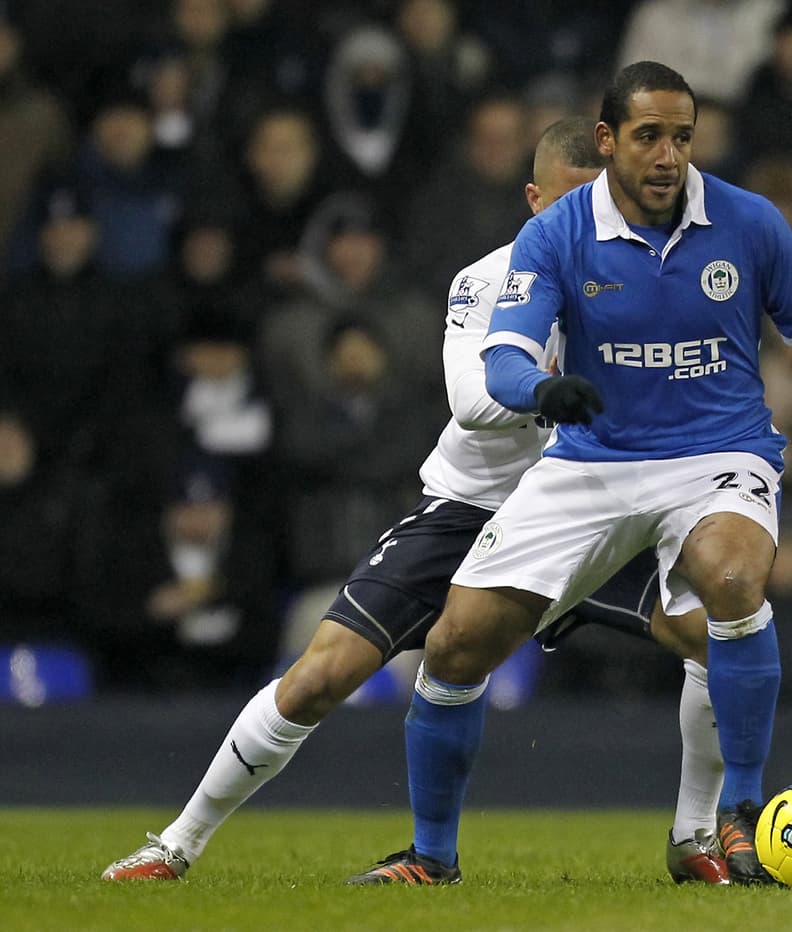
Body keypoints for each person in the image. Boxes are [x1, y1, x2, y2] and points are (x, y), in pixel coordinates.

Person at [345, 60, 792, 889]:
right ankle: (432, 856)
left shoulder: (749, 222)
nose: (669, 156)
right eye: (650, 137)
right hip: (593, 459)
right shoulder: (556, 234)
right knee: (454, 645)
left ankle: (737, 816)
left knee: (734, 578)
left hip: (718, 454)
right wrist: (543, 388)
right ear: (608, 141)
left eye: (683, 137)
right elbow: (506, 355)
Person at [101, 116, 729, 887]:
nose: (587, 222)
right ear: (535, 202)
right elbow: (469, 400)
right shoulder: (487, 281)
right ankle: (177, 843)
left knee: (713, 631)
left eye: (602, 202)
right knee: (320, 675)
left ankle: (693, 838)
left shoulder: (658, 283)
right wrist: (550, 393)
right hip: (477, 510)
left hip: (594, 511)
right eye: (570, 203)